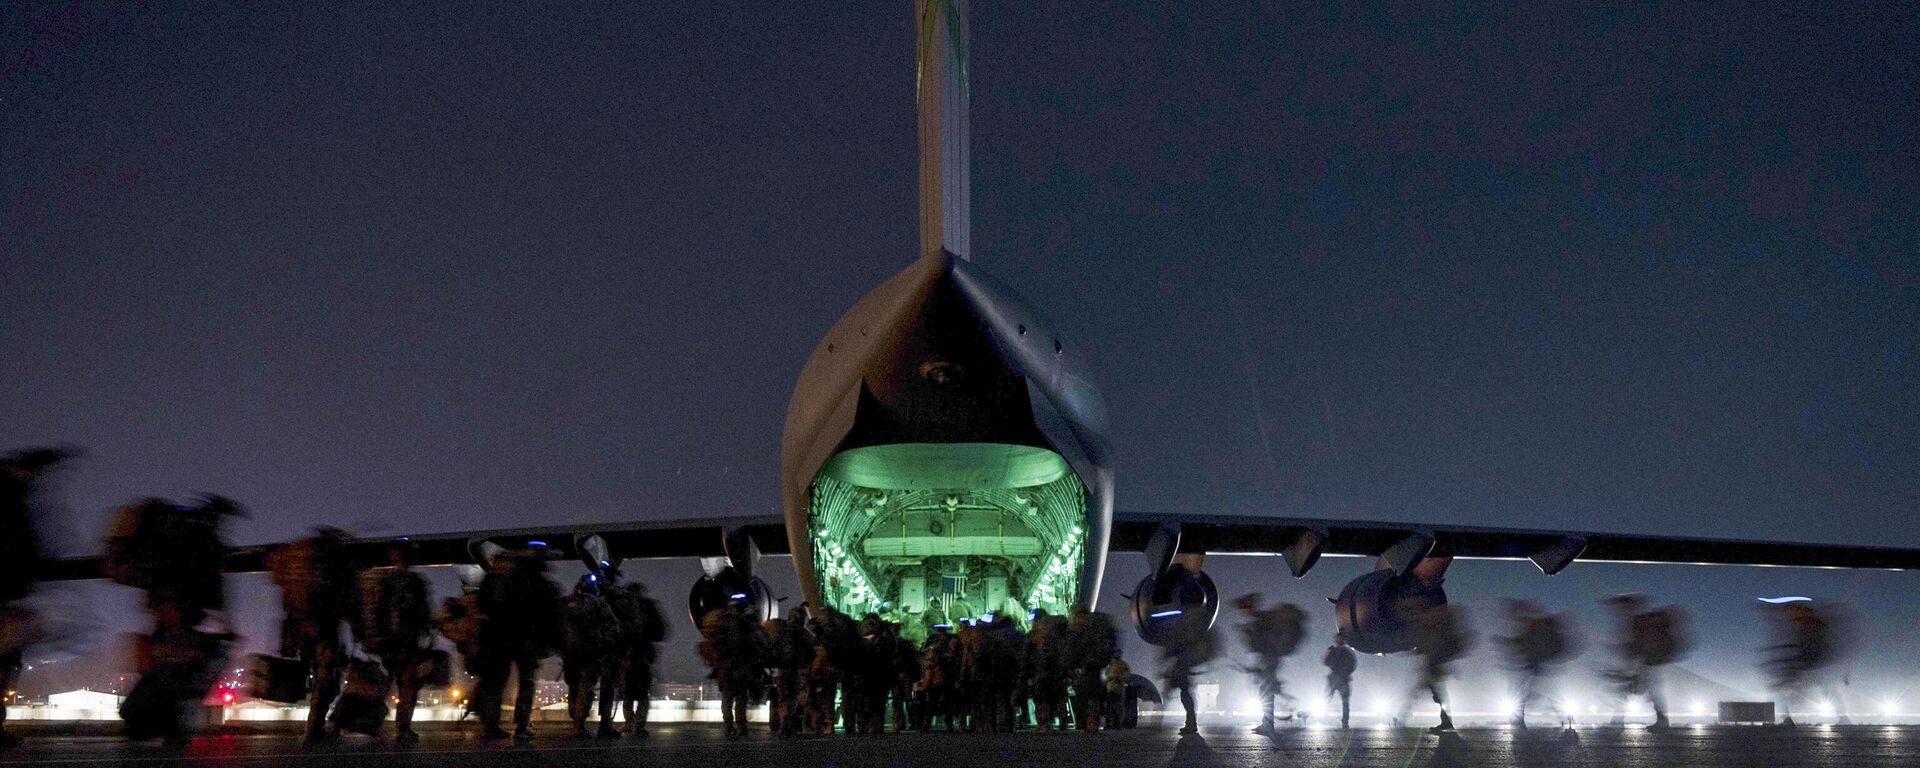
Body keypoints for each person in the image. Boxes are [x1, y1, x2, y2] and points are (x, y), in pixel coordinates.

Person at [109, 495, 242, 744]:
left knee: (164, 673)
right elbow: (217, 595)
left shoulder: (171, 543)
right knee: (197, 669)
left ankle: (147, 721)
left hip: (166, 620)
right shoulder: (207, 547)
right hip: (182, 621)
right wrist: (229, 630)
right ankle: (171, 726)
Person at [0, 449, 75, 748]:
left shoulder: (16, 504)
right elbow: (30, 548)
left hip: (11, 594)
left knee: (8, 658)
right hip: (10, 594)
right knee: (7, 659)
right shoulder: (15, 505)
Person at [267, 527, 354, 744]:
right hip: (324, 629)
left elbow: (286, 600)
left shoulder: (298, 567)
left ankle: (314, 727)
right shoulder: (333, 567)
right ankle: (314, 729)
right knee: (327, 680)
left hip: (299, 628)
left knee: (317, 679)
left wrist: (286, 634)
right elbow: (344, 602)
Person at [473, 549, 562, 742]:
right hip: (525, 641)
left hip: (501, 640)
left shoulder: (501, 583)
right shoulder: (533, 585)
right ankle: (521, 726)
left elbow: (487, 610)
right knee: (525, 684)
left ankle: (491, 725)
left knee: (497, 683)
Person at [354, 541, 435, 744]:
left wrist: (372, 636)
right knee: (407, 685)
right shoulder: (416, 581)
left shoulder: (386, 581)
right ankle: (402, 728)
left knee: (385, 683)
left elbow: (377, 610)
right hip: (406, 640)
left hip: (390, 641)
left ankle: (369, 723)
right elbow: (424, 612)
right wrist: (428, 636)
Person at [1604, 593, 1689, 731]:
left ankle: (1620, 720)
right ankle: (1659, 719)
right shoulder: (1639, 621)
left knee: (1633, 689)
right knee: (1646, 689)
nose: (1617, 610)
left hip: (1645, 661)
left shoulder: (1636, 621)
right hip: (1648, 660)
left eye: (1621, 607)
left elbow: (1633, 646)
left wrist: (1624, 658)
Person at [559, 572, 621, 738]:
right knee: (585, 688)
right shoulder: (599, 604)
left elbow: (557, 628)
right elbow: (614, 628)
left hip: (570, 654)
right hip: (590, 654)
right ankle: (579, 726)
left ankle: (575, 722)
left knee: (573, 687)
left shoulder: (565, 602)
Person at [1235, 594, 1306, 735]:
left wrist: (1247, 633)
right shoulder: (1262, 618)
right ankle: (1273, 720)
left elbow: (1261, 643)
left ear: (1249, 608)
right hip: (1269, 658)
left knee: (1266, 691)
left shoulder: (1262, 619)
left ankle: (1269, 724)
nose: (1243, 612)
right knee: (1269, 690)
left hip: (1270, 658)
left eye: (1244, 609)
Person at [1499, 600, 1577, 730]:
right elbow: (1522, 644)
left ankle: (1519, 719)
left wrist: (1510, 645)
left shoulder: (1537, 628)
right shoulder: (1534, 629)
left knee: (1534, 693)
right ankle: (1564, 717)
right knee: (1545, 692)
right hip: (1540, 667)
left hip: (1541, 667)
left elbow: (1525, 644)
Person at [699, 596, 765, 737]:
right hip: (742, 666)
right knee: (741, 699)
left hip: (726, 667)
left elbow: (715, 643)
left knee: (727, 699)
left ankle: (729, 726)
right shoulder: (746, 623)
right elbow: (757, 643)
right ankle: (742, 727)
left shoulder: (722, 622)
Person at [1405, 602, 1471, 733]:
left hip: (1433, 666)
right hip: (1433, 665)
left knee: (1432, 693)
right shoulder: (1433, 628)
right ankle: (1445, 721)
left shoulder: (1432, 628)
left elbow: (1430, 646)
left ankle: (1402, 717)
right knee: (1435, 694)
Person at [616, 580, 665, 736]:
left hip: (628, 655)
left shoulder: (623, 609)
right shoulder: (649, 608)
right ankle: (639, 725)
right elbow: (661, 631)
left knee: (628, 692)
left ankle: (630, 723)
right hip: (643, 656)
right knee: (642, 693)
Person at [1160, 616, 1220, 736]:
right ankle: (1190, 723)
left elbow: (1177, 652)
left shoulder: (1184, 639)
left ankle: (1190, 724)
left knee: (1183, 695)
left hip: (1181, 671)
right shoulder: (1184, 638)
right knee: (1182, 695)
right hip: (1181, 670)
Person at [1065, 604, 1118, 732]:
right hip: (1098, 664)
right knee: (1094, 693)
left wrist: (1070, 665)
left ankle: (1088, 721)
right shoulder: (1098, 624)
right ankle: (1093, 720)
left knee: (1085, 694)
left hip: (1085, 665)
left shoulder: (1079, 627)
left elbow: (1072, 647)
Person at [1026, 609, 1070, 731]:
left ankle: (1043, 723)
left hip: (1041, 670)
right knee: (1058, 695)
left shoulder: (1036, 633)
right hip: (1058, 670)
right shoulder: (1058, 631)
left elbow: (1028, 653)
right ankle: (1062, 720)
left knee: (1041, 697)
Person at [1322, 632, 1357, 729]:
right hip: (1340, 678)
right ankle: (1344, 721)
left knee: (1334, 699)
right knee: (1338, 701)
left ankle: (1344, 721)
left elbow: (1325, 662)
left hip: (1340, 679)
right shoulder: (1344, 651)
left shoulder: (1342, 652)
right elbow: (1325, 661)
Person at [1103, 651, 1135, 729]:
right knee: (1112, 706)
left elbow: (1126, 675)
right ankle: (1112, 723)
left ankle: (1115, 723)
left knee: (1115, 706)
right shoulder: (1112, 664)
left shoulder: (1119, 664)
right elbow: (1107, 675)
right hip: (1112, 688)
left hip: (1117, 689)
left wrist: (1118, 678)